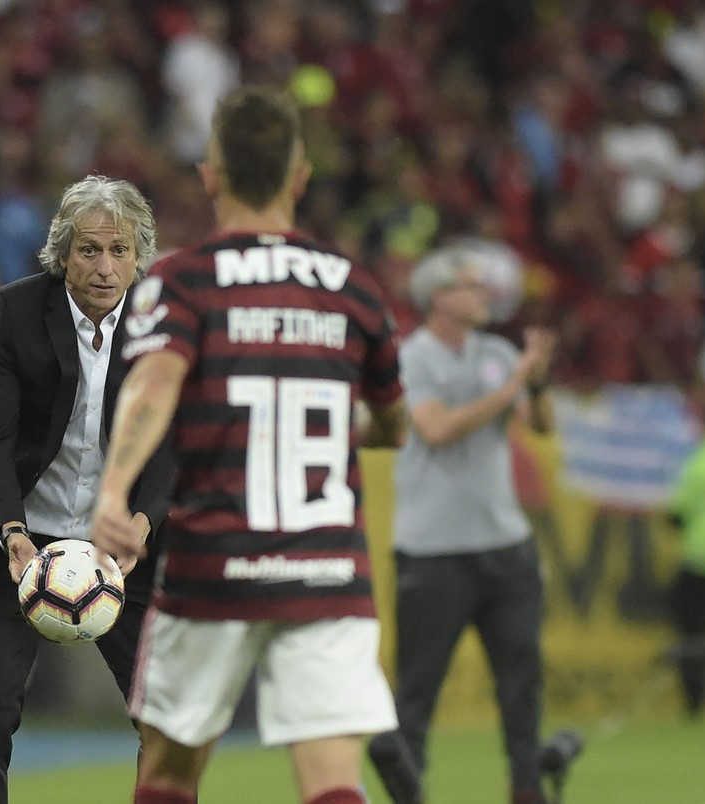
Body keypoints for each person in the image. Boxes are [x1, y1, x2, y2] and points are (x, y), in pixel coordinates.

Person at [91, 85, 408, 804]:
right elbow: (394, 424)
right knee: (332, 782)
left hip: (215, 565)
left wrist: (113, 492)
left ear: (212, 176)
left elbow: (155, 384)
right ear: (300, 178)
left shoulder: (181, 281)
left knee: (169, 774)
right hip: (327, 569)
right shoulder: (355, 291)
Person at [0, 174, 174, 804]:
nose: (105, 267)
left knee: (171, 721)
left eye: (120, 250)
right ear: (63, 254)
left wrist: (143, 525)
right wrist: (12, 534)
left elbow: (171, 444)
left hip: (122, 541)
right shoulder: (13, 313)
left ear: (139, 255)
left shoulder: (167, 323)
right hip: (19, 540)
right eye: (90, 250)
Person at [367, 244, 557, 804]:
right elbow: (437, 429)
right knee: (419, 692)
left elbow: (540, 425)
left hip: (506, 543)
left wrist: (536, 383)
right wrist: (513, 383)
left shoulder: (498, 351)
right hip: (434, 551)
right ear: (439, 296)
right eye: (472, 286)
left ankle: (526, 789)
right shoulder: (412, 358)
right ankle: (409, 793)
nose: (485, 294)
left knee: (522, 683)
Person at [665, 409, 705, 716]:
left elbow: (675, 515)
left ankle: (694, 703)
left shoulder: (696, 463)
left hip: (699, 559)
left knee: (692, 634)